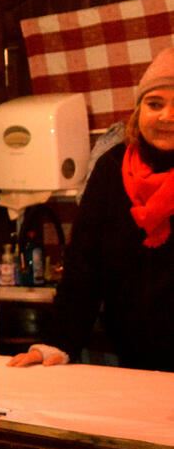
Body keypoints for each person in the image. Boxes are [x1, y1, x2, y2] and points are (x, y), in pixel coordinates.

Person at [9, 48, 174, 371]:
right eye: (155, 104)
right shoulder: (111, 168)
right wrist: (58, 341)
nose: (167, 116)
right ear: (138, 111)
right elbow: (84, 265)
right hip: (135, 360)